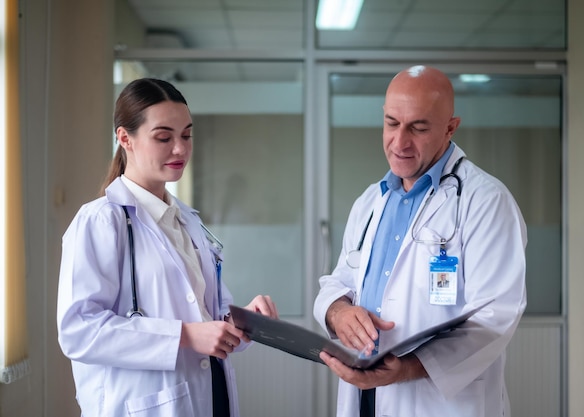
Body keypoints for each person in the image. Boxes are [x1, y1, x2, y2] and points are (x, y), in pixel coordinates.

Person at [57, 78, 278, 417]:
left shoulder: (186, 221)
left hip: (208, 396)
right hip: (144, 405)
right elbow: (79, 331)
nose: (180, 148)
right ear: (125, 138)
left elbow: (204, 316)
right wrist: (185, 336)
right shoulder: (101, 221)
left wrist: (242, 322)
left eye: (186, 135)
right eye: (164, 137)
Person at [313, 65, 527, 417]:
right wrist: (338, 312)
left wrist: (408, 368)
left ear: (450, 128)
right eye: (392, 123)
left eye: (419, 127)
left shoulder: (486, 201)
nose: (400, 142)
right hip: (366, 400)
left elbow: (495, 316)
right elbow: (339, 281)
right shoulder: (370, 202)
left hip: (442, 404)